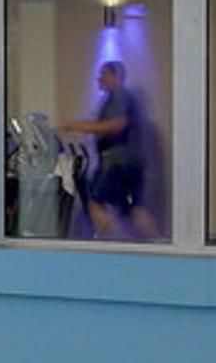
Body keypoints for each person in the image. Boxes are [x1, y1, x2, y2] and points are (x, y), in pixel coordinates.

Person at [65, 60, 161, 241]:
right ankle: (158, 243)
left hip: (116, 162)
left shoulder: (120, 96)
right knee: (135, 209)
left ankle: (108, 243)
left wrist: (74, 125)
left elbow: (116, 125)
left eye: (103, 74)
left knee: (94, 202)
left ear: (115, 76)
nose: (99, 78)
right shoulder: (118, 98)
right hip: (132, 164)